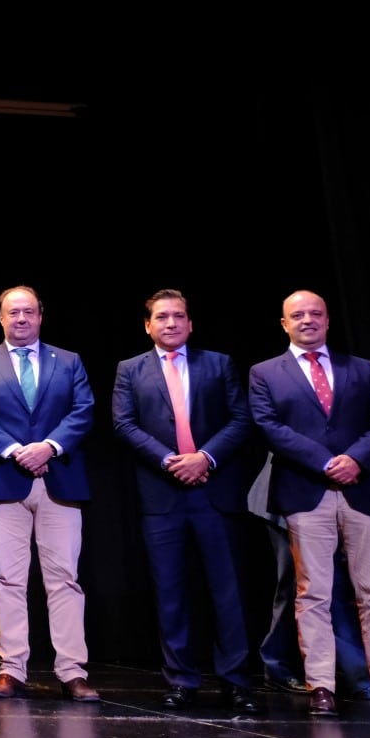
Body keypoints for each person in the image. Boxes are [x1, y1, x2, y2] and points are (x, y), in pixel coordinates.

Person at [247, 289, 370, 717]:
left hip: (362, 491)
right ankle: (322, 685)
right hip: (306, 490)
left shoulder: (360, 370)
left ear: (327, 320)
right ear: (284, 323)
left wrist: (355, 459)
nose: (307, 320)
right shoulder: (265, 372)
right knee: (313, 593)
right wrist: (325, 462)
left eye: (315, 313)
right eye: (297, 315)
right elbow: (269, 426)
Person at [110, 289, 261, 714]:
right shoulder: (130, 369)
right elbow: (122, 424)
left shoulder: (219, 364)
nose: (171, 323)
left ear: (190, 323)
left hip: (214, 491)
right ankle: (181, 680)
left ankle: (236, 682)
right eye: (162, 317)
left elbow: (241, 419)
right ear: (148, 325)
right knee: (171, 592)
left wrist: (204, 457)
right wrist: (168, 460)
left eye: (179, 316)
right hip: (162, 494)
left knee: (227, 591)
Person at [0, 285, 99, 702]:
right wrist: (16, 450)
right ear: (0, 317)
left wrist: (49, 447)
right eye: (12, 312)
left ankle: (72, 672)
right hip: (4, 479)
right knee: (7, 579)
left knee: (64, 581)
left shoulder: (69, 361)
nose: (21, 319)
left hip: (60, 480)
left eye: (28, 312)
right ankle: (12, 669)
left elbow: (83, 409)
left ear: (41, 316)